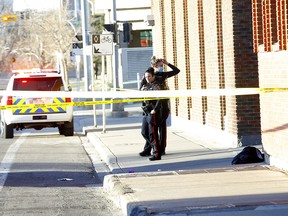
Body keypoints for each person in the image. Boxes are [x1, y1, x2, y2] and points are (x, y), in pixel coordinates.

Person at [139, 57, 180, 156]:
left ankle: (161, 149)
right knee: (149, 130)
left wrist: (168, 63)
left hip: (162, 105)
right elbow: (140, 89)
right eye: (160, 66)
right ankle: (150, 148)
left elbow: (176, 71)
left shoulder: (163, 75)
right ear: (154, 66)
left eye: (162, 65)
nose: (161, 67)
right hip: (151, 106)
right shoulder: (148, 76)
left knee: (161, 129)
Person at [140, 67, 165, 161]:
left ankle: (157, 154)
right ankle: (156, 146)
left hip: (152, 112)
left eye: (149, 76)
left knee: (152, 133)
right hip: (145, 112)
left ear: (153, 76)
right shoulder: (145, 84)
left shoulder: (156, 85)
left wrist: (155, 109)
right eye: (145, 77)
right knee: (144, 132)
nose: (147, 78)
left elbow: (160, 98)